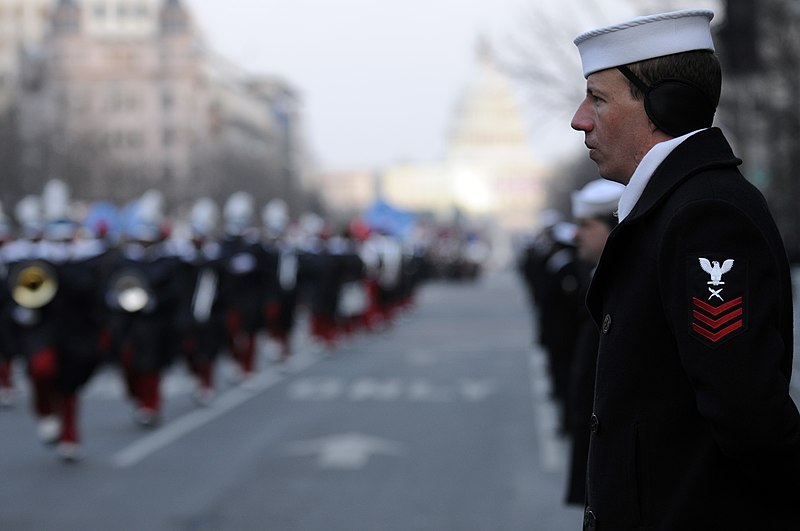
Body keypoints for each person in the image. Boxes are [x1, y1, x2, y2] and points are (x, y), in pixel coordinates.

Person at [571, 9, 800, 530]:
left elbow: (746, 413)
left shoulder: (704, 214)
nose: (580, 118)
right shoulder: (671, 208)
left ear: (665, 106)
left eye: (599, 98)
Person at [563, 179, 623, 506]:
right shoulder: (595, 273)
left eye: (586, 225)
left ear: (611, 228)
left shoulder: (622, 280)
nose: (576, 235)